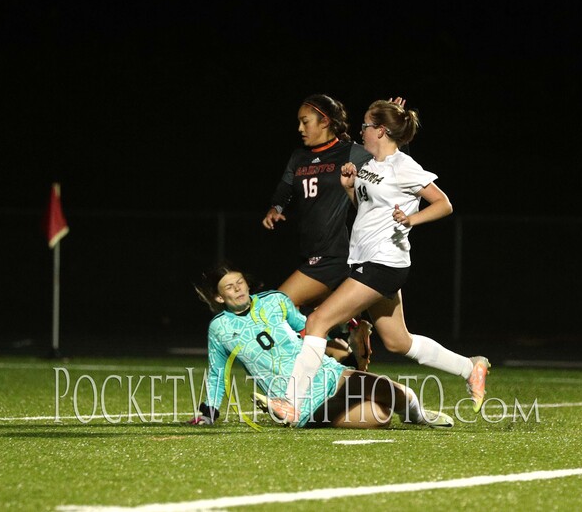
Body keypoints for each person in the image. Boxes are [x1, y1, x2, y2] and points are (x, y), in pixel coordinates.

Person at [271, 99, 491, 425]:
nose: (361, 131)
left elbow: (443, 204)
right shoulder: (370, 165)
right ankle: (469, 367)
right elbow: (364, 211)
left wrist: (412, 220)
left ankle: (292, 403)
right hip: (365, 261)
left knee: (318, 321)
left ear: (381, 130)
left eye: (366, 126)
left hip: (385, 264)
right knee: (397, 341)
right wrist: (349, 187)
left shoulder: (404, 166)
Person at [188, 263, 454, 429]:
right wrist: (209, 412)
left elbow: (310, 329)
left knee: (399, 395)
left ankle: (416, 417)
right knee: (378, 417)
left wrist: (345, 336)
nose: (238, 289)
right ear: (218, 297)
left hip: (328, 373)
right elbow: (217, 373)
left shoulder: (274, 301)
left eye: (239, 282)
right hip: (296, 398)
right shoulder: (219, 328)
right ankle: (286, 412)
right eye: (229, 288)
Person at [261, 94, 386, 370]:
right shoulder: (299, 157)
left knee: (273, 312)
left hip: (335, 254)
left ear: (325, 121)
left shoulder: (351, 152)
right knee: (315, 320)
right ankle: (353, 333)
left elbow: (389, 163)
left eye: (305, 122)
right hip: (311, 253)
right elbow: (285, 188)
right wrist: (275, 207)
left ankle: (336, 360)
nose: (300, 129)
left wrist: (396, 130)